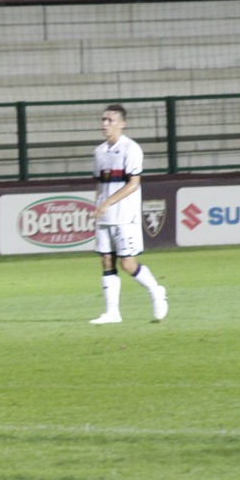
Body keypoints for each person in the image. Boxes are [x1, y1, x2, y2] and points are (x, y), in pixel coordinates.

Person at [89, 104, 168, 324]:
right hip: (105, 216)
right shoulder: (99, 151)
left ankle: (156, 290)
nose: (105, 124)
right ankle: (112, 312)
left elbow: (134, 184)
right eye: (103, 119)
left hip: (125, 215)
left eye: (110, 120)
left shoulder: (131, 149)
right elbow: (100, 185)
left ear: (122, 123)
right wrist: (97, 206)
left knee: (127, 264)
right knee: (106, 260)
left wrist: (107, 202)